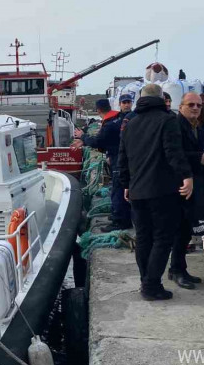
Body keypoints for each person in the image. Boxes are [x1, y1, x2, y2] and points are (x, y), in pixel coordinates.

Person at [118, 83, 193, 301]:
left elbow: (123, 158)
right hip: (162, 190)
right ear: (161, 98)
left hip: (137, 190)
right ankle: (151, 286)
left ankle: (146, 281)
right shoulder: (167, 119)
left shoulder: (130, 123)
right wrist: (186, 175)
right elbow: (173, 152)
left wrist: (126, 184)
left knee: (143, 238)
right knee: (162, 238)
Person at [170, 92, 204, 290]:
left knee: (186, 230)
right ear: (181, 107)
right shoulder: (177, 125)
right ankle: (177, 269)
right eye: (191, 105)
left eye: (199, 105)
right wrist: (198, 157)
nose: (195, 108)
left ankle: (179, 268)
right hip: (181, 184)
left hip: (193, 182)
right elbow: (173, 153)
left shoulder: (195, 126)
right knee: (181, 229)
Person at [76, 99, 129, 231]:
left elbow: (98, 142)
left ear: (98, 110)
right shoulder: (119, 117)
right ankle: (122, 216)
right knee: (121, 188)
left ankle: (119, 221)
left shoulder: (109, 125)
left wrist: (83, 137)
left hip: (118, 159)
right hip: (121, 156)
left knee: (117, 189)